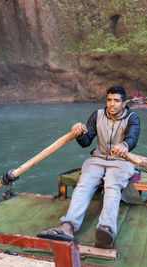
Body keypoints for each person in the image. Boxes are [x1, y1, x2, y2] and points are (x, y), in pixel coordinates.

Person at [37, 85, 140, 249]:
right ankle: (67, 227)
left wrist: (125, 145)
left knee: (112, 186)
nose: (112, 104)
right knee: (84, 184)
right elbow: (86, 142)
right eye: (109, 100)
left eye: (116, 101)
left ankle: (106, 228)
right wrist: (79, 133)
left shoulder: (133, 118)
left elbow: (132, 139)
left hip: (121, 161)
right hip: (98, 159)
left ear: (123, 103)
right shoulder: (97, 115)